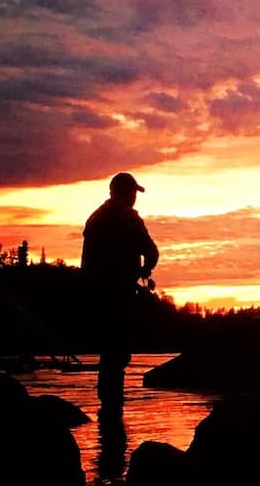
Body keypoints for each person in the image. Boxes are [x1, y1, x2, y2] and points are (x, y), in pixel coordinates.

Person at [81, 172, 159, 406]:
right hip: (121, 295)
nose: (135, 197)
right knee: (117, 352)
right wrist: (145, 271)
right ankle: (113, 411)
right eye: (134, 192)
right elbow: (152, 253)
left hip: (97, 294)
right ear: (125, 193)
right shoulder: (130, 219)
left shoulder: (95, 218)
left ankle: (107, 410)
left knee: (108, 352)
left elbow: (87, 262)